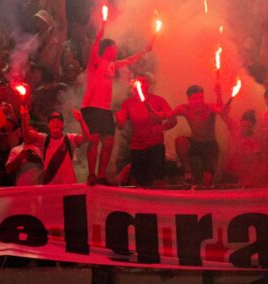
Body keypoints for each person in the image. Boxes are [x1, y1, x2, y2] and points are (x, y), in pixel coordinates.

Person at [80, 17, 153, 184]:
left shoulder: (113, 65)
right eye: (114, 48)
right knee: (94, 139)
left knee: (109, 141)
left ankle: (101, 175)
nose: (117, 50)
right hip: (91, 107)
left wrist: (145, 51)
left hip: (105, 109)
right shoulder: (95, 62)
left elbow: (128, 61)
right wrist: (102, 27)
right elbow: (94, 47)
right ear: (107, 49)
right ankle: (91, 174)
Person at [115, 75, 176, 187]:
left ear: (148, 85)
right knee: (138, 182)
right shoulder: (127, 103)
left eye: (144, 81)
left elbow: (173, 120)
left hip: (155, 145)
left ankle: (159, 202)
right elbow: (120, 126)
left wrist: (161, 127)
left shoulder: (159, 100)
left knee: (158, 180)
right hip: (137, 146)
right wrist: (118, 120)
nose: (141, 84)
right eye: (138, 81)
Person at [168, 84, 225, 185]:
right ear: (189, 99)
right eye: (194, 98)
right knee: (180, 141)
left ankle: (207, 179)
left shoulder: (209, 107)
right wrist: (155, 115)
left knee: (208, 180)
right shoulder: (184, 108)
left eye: (200, 97)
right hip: (195, 144)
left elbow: (221, 110)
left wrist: (218, 94)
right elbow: (167, 115)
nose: (198, 101)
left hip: (210, 146)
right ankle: (188, 172)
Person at [21, 107, 90, 185]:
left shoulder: (69, 139)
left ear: (62, 124)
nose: (55, 123)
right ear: (48, 125)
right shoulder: (43, 140)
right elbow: (27, 137)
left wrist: (81, 121)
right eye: (53, 121)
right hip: (51, 188)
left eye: (58, 121)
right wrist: (23, 118)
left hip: (69, 186)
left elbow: (87, 138)